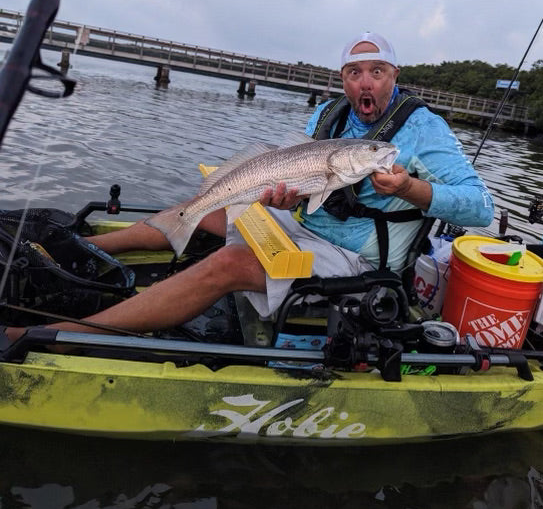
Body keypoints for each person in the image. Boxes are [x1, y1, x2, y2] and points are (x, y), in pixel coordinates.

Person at [4, 32, 494, 341]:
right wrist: (278, 194)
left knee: (230, 262)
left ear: (394, 76)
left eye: (377, 72)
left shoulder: (423, 130)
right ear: (343, 78)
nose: (365, 82)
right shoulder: (329, 112)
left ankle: (57, 333)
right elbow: (292, 170)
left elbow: (481, 208)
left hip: (357, 262)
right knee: (199, 208)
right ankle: (70, 248)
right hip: (301, 223)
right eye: (354, 72)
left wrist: (411, 189)